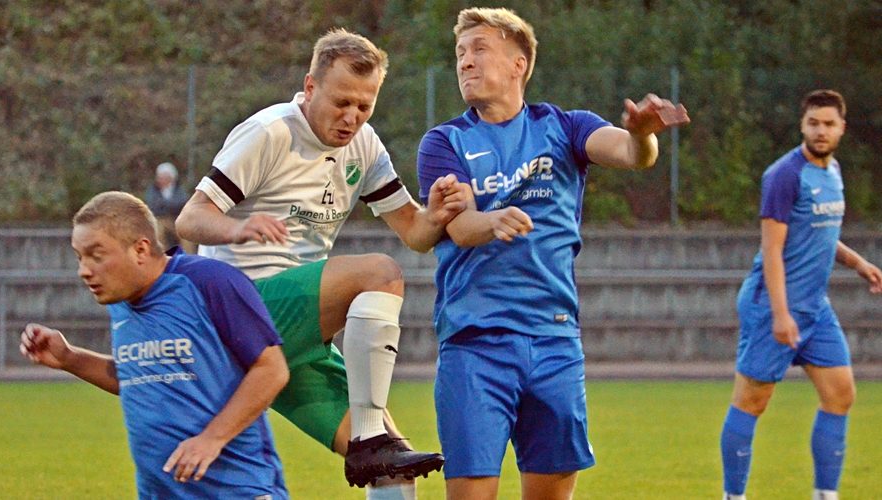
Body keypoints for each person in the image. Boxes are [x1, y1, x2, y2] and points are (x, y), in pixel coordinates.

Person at [175, 29, 466, 495]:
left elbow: (415, 232)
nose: (352, 117)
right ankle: (369, 436)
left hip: (296, 335)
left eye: (364, 106)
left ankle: (372, 442)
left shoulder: (364, 146)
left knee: (393, 466)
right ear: (310, 87)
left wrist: (438, 213)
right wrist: (238, 228)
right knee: (379, 274)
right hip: (243, 309)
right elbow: (190, 219)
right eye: (341, 102)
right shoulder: (270, 132)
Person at [415, 7, 690, 500]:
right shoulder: (445, 141)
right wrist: (492, 220)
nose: (465, 62)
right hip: (476, 341)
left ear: (519, 63)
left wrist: (642, 133)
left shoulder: (564, 127)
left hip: (553, 340)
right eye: (460, 53)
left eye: (479, 49)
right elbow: (457, 226)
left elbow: (631, 155)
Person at [20, 191, 290, 499]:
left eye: (96, 255)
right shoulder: (120, 303)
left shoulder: (208, 282)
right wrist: (69, 358)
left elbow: (272, 369)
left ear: (140, 249)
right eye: (79, 257)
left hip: (236, 490)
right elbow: (142, 377)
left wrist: (211, 439)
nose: (84, 269)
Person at [719, 90, 882, 500]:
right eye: (814, 123)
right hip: (770, 306)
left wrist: (859, 263)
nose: (821, 131)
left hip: (815, 309)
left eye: (829, 124)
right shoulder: (785, 175)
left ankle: (825, 495)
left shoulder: (833, 172)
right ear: (802, 125)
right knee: (752, 402)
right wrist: (780, 314)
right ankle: (732, 496)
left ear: (841, 127)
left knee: (841, 394)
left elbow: (822, 234)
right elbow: (772, 248)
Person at [145, 161, 193, 252]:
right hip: (161, 219)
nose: (161, 179)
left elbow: (182, 203)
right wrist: (169, 206)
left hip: (177, 219)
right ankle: (162, 256)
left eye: (165, 177)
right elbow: (153, 205)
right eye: (160, 177)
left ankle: (189, 256)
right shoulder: (153, 190)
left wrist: (165, 205)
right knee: (158, 231)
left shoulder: (178, 189)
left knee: (187, 235)